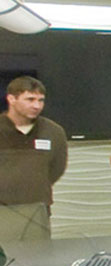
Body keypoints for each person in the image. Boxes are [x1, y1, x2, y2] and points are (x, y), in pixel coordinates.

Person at [0, 77, 66, 241]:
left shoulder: (53, 132)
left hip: (36, 211)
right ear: (11, 99)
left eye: (40, 100)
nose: (37, 106)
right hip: (2, 210)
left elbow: (57, 168)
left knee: (38, 254)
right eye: (30, 99)